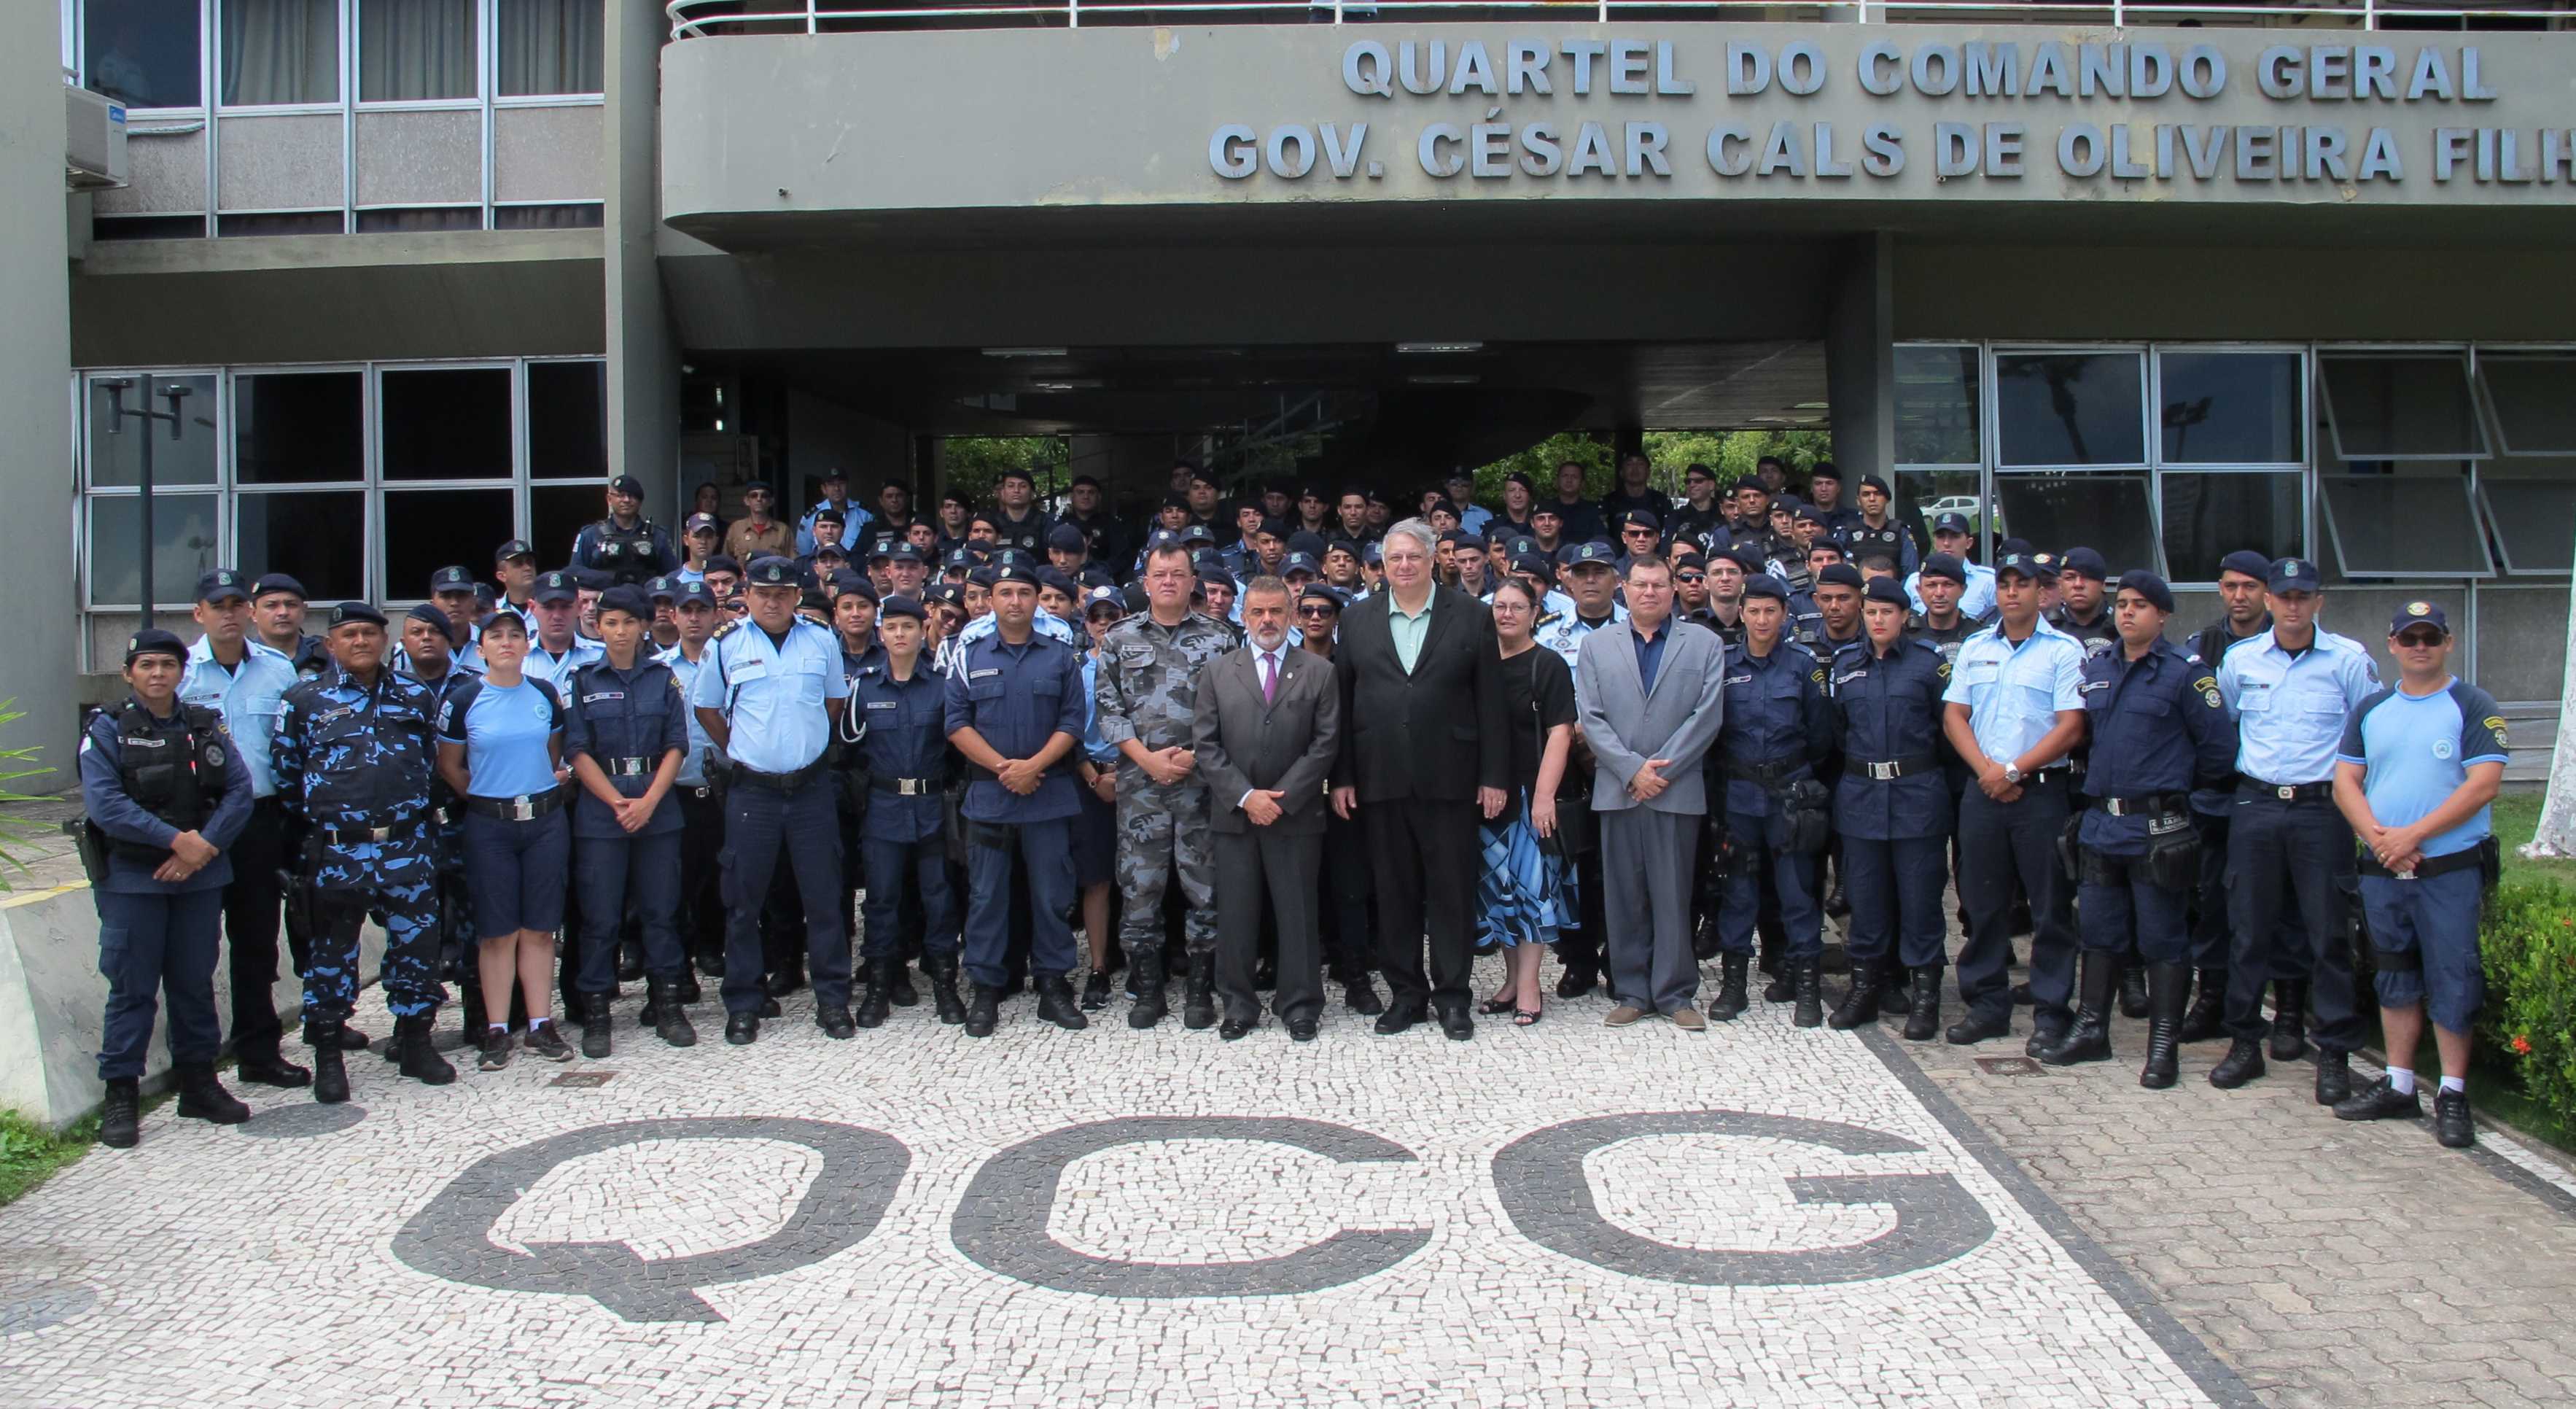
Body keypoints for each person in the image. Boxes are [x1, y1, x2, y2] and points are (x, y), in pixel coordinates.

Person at [2331, 602, 2507, 1149]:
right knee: (2393, 973)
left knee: (2452, 977)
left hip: (2447, 869)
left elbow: (2482, 785)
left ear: (2448, 643)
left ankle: (2451, 1093)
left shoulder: (2472, 705)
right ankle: (2398, 1084)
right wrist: (2380, 840)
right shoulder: (2371, 708)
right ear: (2391, 645)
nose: (2419, 646)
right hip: (2385, 868)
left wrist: (2412, 836)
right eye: (2409, 638)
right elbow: (2344, 783)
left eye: (2430, 637)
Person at [2051, 572, 2235, 1084]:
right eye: (2122, 604)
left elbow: (2218, 751)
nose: (2127, 613)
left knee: (2161, 938)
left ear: (2163, 615)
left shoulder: (2185, 673)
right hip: (2101, 825)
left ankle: (2162, 1046)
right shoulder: (2098, 667)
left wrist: (2173, 789)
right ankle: (2091, 1029)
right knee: (2099, 933)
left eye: (2139, 605)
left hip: (2158, 827)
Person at [2210, 556, 2382, 1103]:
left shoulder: (2348, 661)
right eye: (2282, 596)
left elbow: (2367, 733)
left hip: (2320, 809)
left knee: (2328, 934)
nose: (2291, 605)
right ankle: (2243, 1043)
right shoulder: (2240, 660)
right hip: (2256, 805)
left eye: (2301, 596)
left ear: (2317, 603)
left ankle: (2333, 1053)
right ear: (2268, 600)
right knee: (2248, 929)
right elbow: (2229, 722)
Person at [1331, 519, 1508, 1040]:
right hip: (1378, 777)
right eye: (1394, 559)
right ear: (1382, 566)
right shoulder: (1357, 619)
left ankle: (1453, 997)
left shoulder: (1472, 616)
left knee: (1451, 892)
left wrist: (1493, 775)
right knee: (1394, 891)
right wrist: (1341, 776)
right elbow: (1342, 702)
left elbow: (1491, 702)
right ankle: (1406, 994)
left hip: (1451, 777)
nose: (1403, 566)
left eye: (1413, 556)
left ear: (1435, 560)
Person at [80, 628, 257, 1149]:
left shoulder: (205, 725)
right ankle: (121, 1094)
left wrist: (201, 847)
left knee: (193, 982)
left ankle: (199, 1083)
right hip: (134, 879)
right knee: (132, 987)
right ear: (129, 673)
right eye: (147, 665)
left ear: (182, 672)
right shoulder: (106, 729)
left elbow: (240, 791)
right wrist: (178, 842)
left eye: (167, 665)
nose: (158, 674)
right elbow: (105, 805)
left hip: (199, 877)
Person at [273, 602, 452, 1103]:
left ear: (384, 639)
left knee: (416, 949)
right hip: (338, 852)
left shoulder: (415, 696)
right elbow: (287, 775)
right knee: (330, 956)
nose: (360, 642)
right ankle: (329, 1054)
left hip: (405, 844)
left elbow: (433, 763)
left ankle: (416, 1041)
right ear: (330, 644)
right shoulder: (304, 700)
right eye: (348, 634)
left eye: (369, 633)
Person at [692, 556, 855, 1045]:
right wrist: (744, 747)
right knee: (743, 901)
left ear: (795, 597)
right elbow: (707, 709)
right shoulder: (726, 645)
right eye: (763, 593)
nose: (772, 601)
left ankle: (832, 999)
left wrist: (801, 745)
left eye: (782, 593)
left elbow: (832, 704)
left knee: (825, 899)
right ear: (748, 594)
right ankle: (743, 1001)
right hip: (753, 791)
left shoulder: (821, 639)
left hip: (810, 789)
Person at [1939, 552, 2087, 1051]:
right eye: (2004, 584)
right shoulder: (1975, 647)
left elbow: (2071, 725)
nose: (2011, 592)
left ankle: (2050, 1010)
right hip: (1983, 791)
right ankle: (1986, 1005)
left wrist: (2012, 770)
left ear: (2039, 592)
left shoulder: (2062, 651)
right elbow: (1954, 716)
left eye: (2022, 584)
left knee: (2049, 908)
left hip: (2040, 793)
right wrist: (1986, 770)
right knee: (1980, 904)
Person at [175, 569, 312, 1087]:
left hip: (259, 820)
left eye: (237, 604)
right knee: (195, 946)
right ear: (199, 614)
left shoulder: (278, 670)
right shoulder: (182, 672)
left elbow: (298, 740)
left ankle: (258, 1051)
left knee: (257, 941)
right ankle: (196, 1062)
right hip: (195, 826)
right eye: (218, 605)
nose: (229, 614)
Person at [1576, 557, 1727, 1030]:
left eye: (1658, 585)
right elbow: (1590, 717)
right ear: (1624, 589)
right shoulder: (1596, 646)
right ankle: (1631, 990)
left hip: (1675, 787)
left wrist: (1661, 769)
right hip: (1618, 789)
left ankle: (1675, 991)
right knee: (1623, 896)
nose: (1649, 592)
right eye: (1640, 584)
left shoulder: (1703, 643)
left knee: (1673, 892)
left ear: (1674, 590)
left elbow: (1707, 716)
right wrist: (1630, 770)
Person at [1093, 536, 1237, 1029]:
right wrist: (1146, 760)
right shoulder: (1118, 639)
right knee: (1140, 889)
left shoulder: (1221, 639)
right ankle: (1147, 989)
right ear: (1146, 583)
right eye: (1161, 574)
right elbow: (1108, 711)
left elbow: (1233, 713)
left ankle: (1200, 989)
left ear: (1193, 582)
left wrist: (1196, 755)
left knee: (1206, 887)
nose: (1170, 582)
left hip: (1201, 784)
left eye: (1179, 574)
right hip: (1141, 786)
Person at [1191, 576, 1342, 1040]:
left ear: (1292, 615)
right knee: (1237, 914)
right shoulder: (1218, 672)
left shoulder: (1318, 672)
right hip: (1235, 815)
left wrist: (1281, 798)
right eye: (1257, 612)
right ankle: (1239, 1004)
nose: (1267, 621)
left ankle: (1299, 1005)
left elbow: (1325, 743)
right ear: (1243, 616)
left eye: (1276, 611)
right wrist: (1246, 796)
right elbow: (1206, 745)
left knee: (1297, 913)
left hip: (1294, 815)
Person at [945, 561, 1090, 1036]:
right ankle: (986, 989)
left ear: (1035, 600)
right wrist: (1004, 768)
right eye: (1004, 593)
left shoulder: (1059, 655)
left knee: (1051, 896)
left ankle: (1053, 985)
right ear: (990, 600)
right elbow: (956, 722)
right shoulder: (970, 653)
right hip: (990, 795)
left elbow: (1071, 722)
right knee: (987, 896)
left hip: (1047, 795)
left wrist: (1032, 767)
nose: (1013, 602)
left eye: (1023, 593)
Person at [433, 608, 575, 1069]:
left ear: (527, 645)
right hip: (489, 824)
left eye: (516, 635)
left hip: (544, 821)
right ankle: (496, 1029)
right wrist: (483, 797)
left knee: (539, 927)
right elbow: (451, 765)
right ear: (482, 649)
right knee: (497, 932)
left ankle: (539, 1023)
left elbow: (551, 754)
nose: (507, 643)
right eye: (497, 636)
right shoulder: (464, 698)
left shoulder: (544, 694)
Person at [562, 586, 695, 1055]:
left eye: (629, 623)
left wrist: (649, 801)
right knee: (599, 919)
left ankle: (667, 1005)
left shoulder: (663, 680)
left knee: (661, 913)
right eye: (611, 623)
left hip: (657, 810)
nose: (620, 632)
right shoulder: (583, 681)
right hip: (603, 812)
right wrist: (619, 802)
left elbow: (678, 744)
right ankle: (597, 1014)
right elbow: (575, 749)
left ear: (644, 627)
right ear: (598, 628)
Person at [2181, 548, 2300, 1050]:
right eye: (2229, 586)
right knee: (2213, 902)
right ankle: (2212, 998)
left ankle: (2291, 1011)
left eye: (2248, 587)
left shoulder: (2294, 646)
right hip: (2217, 799)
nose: (2238, 596)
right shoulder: (2201, 645)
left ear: (2267, 594)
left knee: (2286, 906)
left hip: (2275, 799)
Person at [1829, 578, 1956, 1039]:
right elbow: (1838, 732)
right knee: (1865, 899)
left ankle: (1925, 996)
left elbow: (1948, 733)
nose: (1878, 620)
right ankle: (1865, 988)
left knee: (1921, 901)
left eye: (1888, 612)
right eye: (1872, 612)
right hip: (1862, 798)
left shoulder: (1928, 666)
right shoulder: (1845, 666)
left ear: (1905, 617)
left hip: (1916, 797)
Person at [1707, 574, 1834, 1025]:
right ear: (1741, 613)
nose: (1762, 620)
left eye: (1771, 611)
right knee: (1738, 893)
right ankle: (1734, 986)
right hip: (1739, 798)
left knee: (1797, 895)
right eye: (1754, 610)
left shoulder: (1803, 666)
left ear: (1785, 614)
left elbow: (1821, 737)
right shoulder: (1722, 665)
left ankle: (1807, 988)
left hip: (1790, 797)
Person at [1471, 579, 1578, 1027]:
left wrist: (1544, 797)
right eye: (1500, 606)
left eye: (1518, 607)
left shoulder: (1547, 664)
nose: (1507, 614)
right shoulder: (1478, 664)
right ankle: (1511, 980)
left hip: (1530, 795)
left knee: (1532, 891)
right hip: (1484, 797)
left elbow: (1561, 731)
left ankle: (1531, 985)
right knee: (1498, 893)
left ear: (1535, 612)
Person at [656, 581, 728, 979]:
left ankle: (711, 946)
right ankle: (679, 959)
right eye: (687, 610)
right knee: (678, 877)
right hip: (677, 787)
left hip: (724, 785)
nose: (695, 618)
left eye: (703, 610)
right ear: (675, 616)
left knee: (719, 873)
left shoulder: (729, 661)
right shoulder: (661, 668)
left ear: (716, 615)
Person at [572, 475, 681, 588]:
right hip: (604, 602)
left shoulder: (658, 535)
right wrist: (608, 578)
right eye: (621, 495)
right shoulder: (591, 534)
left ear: (640, 501)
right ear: (609, 499)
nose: (626, 500)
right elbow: (575, 571)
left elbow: (672, 576)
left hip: (645, 601)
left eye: (632, 496)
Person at [1907, 514, 1997, 621]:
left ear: (1969, 543)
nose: (1946, 543)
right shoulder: (1915, 581)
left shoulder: (1988, 580)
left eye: (1954, 536)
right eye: (1941, 537)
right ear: (1934, 542)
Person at [252, 573, 329, 678]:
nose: (283, 612)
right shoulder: (243, 659)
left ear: (304, 610)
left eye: (291, 605)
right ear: (253, 614)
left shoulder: (328, 654)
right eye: (271, 605)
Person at [796, 469, 868, 557]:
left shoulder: (864, 515)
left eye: (841, 484)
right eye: (831, 484)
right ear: (824, 489)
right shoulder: (810, 517)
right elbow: (804, 554)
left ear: (848, 486)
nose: (837, 488)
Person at [722, 483, 791, 562]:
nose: (759, 499)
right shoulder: (736, 529)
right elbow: (726, 562)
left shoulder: (783, 530)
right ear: (747, 501)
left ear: (771, 501)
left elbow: (793, 563)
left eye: (764, 496)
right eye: (754, 496)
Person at [1598, 451, 1670, 528]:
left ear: (1648, 472)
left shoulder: (1661, 502)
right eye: (1629, 464)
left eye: (1640, 464)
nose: (1635, 468)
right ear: (1621, 473)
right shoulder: (1608, 502)